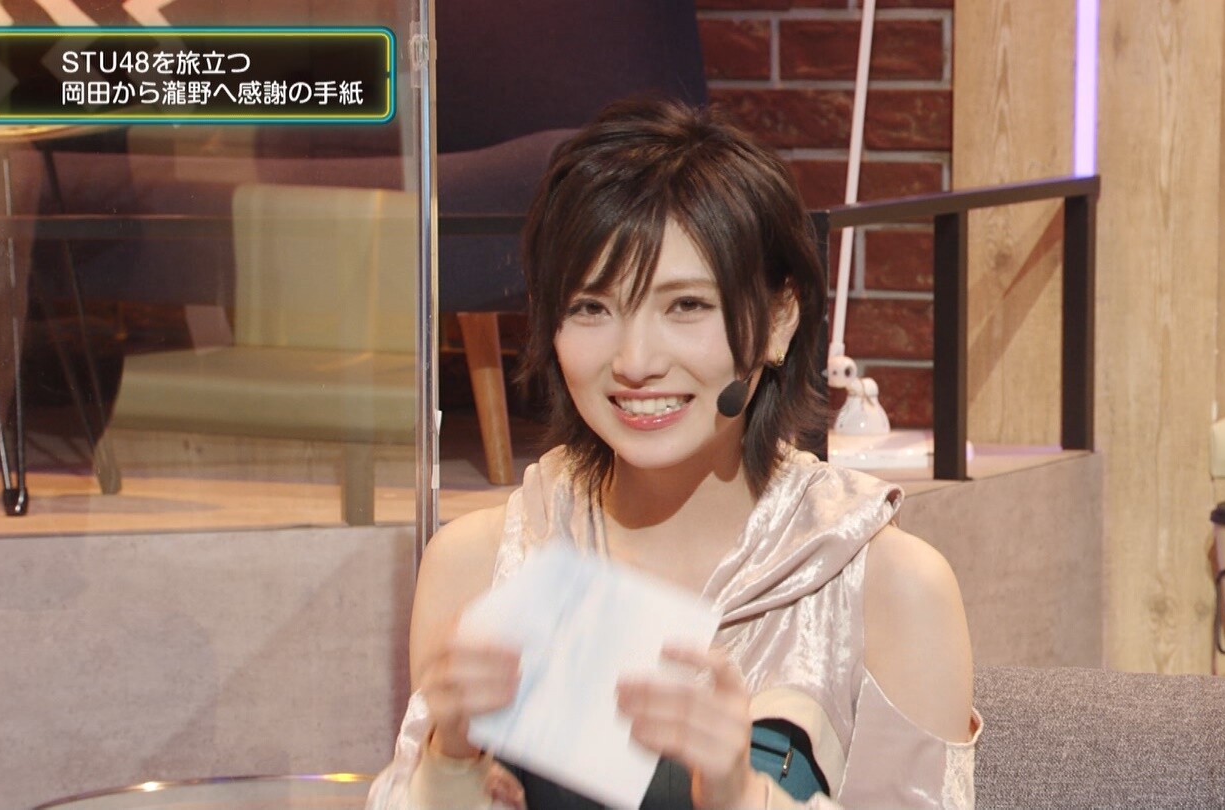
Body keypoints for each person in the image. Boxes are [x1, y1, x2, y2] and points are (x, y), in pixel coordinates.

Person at [368, 98, 979, 809]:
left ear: (779, 319)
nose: (635, 362)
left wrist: (740, 795)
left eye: (686, 306)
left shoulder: (883, 586)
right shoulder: (485, 565)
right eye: (591, 308)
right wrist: (449, 763)